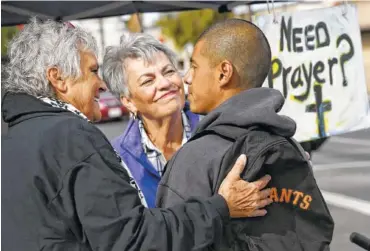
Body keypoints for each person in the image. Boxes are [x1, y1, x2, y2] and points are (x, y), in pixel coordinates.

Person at [1, 18, 273, 251]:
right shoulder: (81, 141)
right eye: (93, 71)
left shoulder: (231, 134)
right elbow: (132, 238)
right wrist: (220, 207)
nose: (100, 85)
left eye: (169, 71)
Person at [157, 19, 334, 251]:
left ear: (224, 73)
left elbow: (168, 240)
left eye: (195, 66)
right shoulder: (290, 147)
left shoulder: (195, 158)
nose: (187, 78)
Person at [102, 33, 201, 207]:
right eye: (148, 81)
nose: (164, 83)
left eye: (169, 71)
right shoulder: (116, 159)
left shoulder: (214, 131)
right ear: (129, 102)